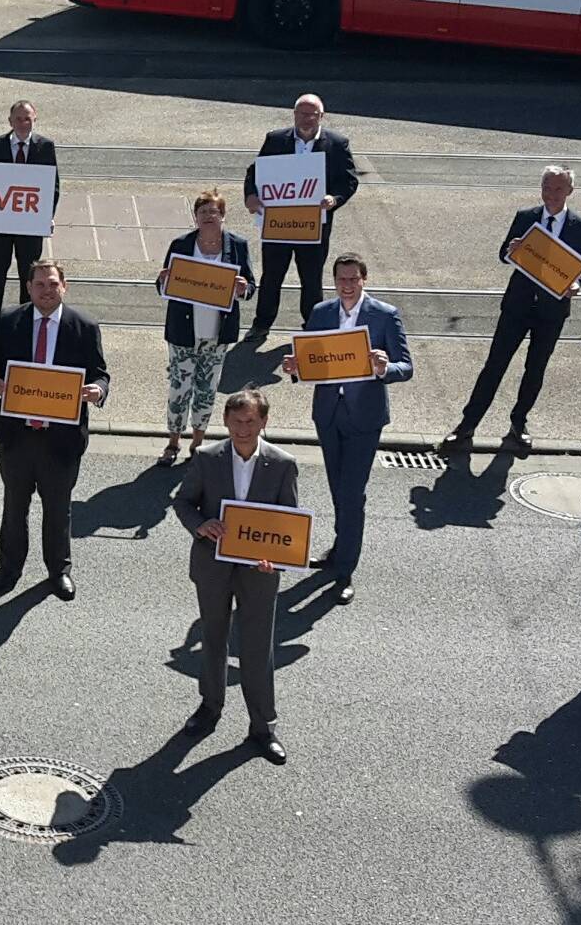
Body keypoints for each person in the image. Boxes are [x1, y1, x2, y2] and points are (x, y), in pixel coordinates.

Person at [170, 389, 297, 765]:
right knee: (213, 638)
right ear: (225, 422)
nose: (243, 429)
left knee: (258, 647)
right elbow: (182, 502)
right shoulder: (208, 458)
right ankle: (210, 707)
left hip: (259, 572)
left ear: (264, 423)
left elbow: (288, 522)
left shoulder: (283, 463)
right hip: (213, 565)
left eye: (251, 422)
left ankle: (263, 727)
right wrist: (200, 525)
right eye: (237, 421)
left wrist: (277, 560)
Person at [281, 252, 412, 605]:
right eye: (342, 279)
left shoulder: (384, 316)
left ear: (364, 280)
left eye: (354, 279)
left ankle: (344, 572)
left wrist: (386, 367)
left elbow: (406, 366)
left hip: (364, 419)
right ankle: (340, 548)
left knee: (352, 495)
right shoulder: (322, 314)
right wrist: (293, 367)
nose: (348, 285)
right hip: (328, 415)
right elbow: (306, 363)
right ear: (334, 281)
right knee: (339, 490)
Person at [0, 261, 110, 600]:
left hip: (61, 440)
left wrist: (97, 390)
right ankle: (9, 570)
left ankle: (58, 571)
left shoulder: (84, 326)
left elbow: (100, 373)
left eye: (53, 284)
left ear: (64, 287)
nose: (46, 291)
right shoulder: (9, 321)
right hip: (16, 437)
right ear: (29, 286)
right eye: (40, 285)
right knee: (14, 508)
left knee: (57, 509)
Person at [444, 166, 581, 454]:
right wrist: (511, 248)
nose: (551, 194)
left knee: (535, 369)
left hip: (552, 311)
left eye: (558, 189)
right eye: (547, 187)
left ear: (570, 191)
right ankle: (467, 424)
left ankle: (518, 423)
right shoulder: (526, 217)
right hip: (517, 306)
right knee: (494, 366)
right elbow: (503, 254)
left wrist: (576, 285)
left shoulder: (580, 225)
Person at [242, 93, 359, 338]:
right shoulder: (275, 139)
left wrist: (334, 199)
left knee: (311, 278)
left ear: (321, 117)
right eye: (302, 114)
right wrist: (251, 195)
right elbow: (255, 171)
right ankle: (262, 324)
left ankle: (313, 326)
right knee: (272, 275)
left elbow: (349, 181)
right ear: (294, 115)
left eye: (312, 115)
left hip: (314, 225)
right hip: (278, 224)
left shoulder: (337, 144)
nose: (307, 119)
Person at [155, 189, 255, 465]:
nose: (209, 216)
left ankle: (198, 443)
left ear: (223, 216)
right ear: (195, 217)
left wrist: (243, 290)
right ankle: (173, 442)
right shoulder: (181, 245)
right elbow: (162, 285)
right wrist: (163, 281)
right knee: (179, 390)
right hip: (183, 334)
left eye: (214, 212)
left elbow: (251, 286)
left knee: (206, 391)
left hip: (217, 336)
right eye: (203, 212)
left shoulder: (237, 245)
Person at [0, 99, 59, 331]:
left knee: (30, 274)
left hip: (31, 223)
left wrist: (47, 215)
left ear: (35, 119)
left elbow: (52, 185)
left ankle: (27, 324)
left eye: (27, 118)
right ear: (10, 121)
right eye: (18, 119)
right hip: (2, 222)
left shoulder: (45, 146)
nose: (23, 123)